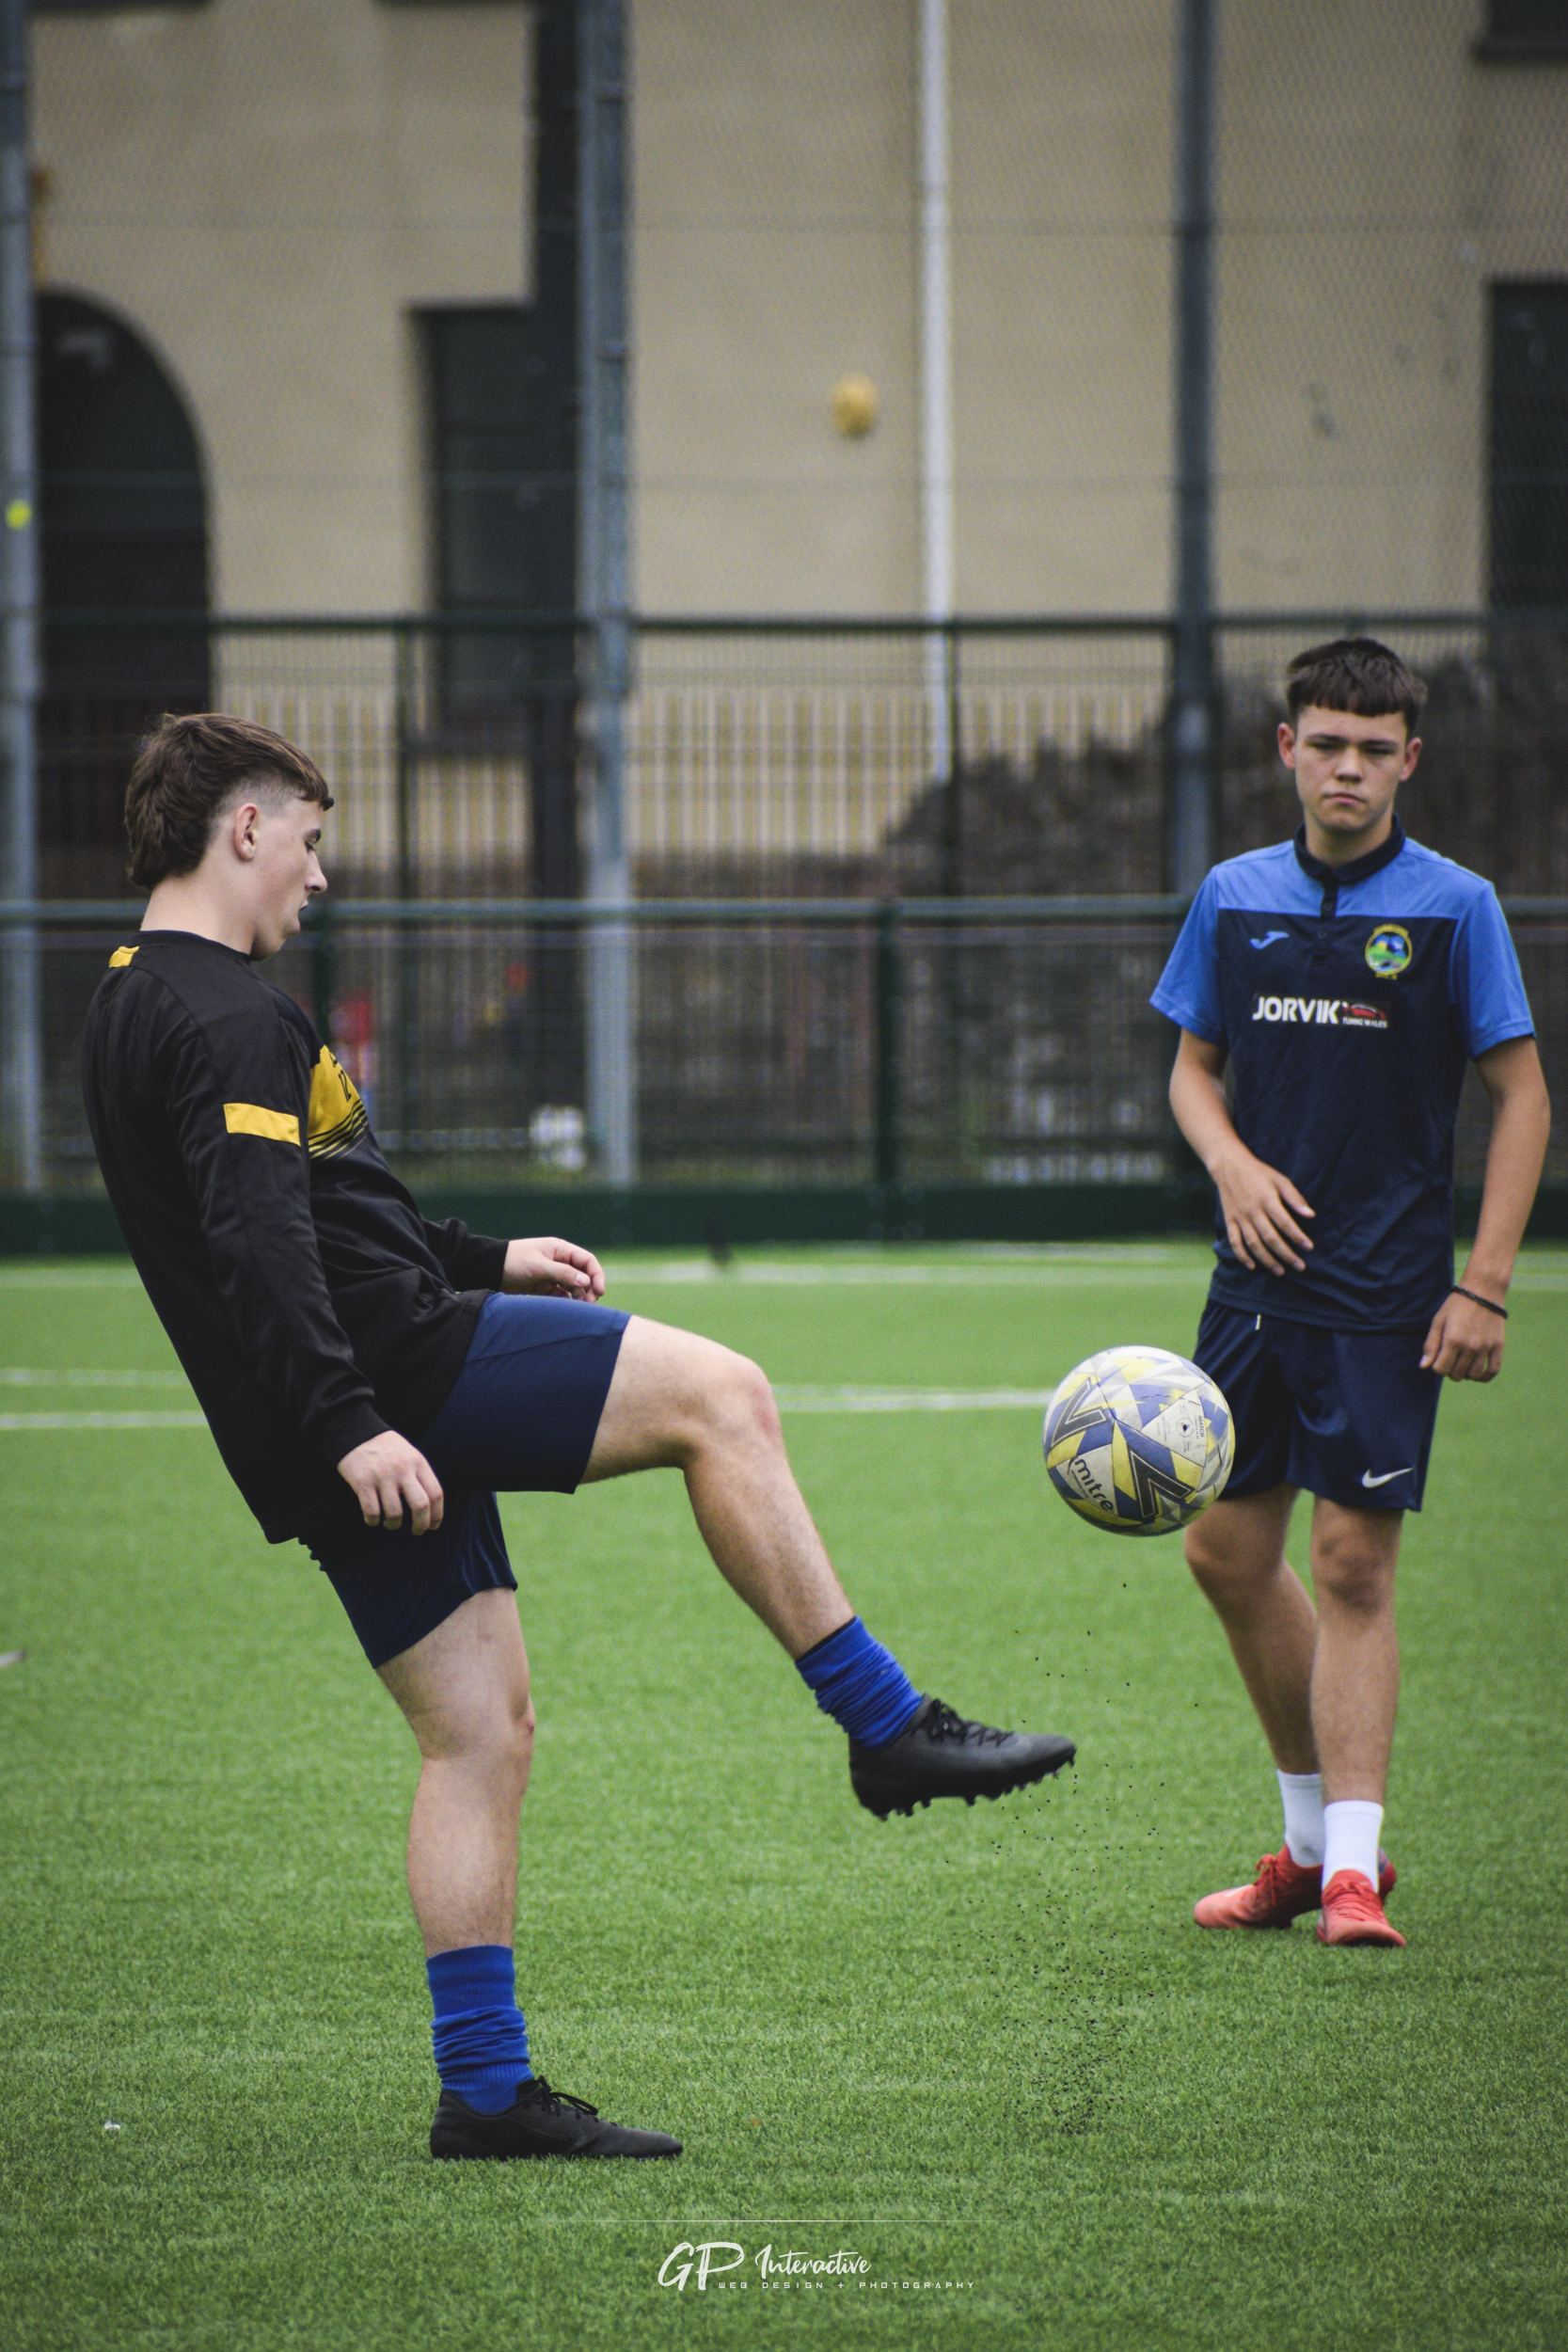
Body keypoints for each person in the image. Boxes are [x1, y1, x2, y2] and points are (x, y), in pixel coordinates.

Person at [82, 712, 1076, 2162]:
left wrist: (487, 1257)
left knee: (479, 1737)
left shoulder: (130, 996)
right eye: (308, 841)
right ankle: (887, 1726)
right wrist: (357, 1420)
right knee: (723, 1396)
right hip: (391, 1385)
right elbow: (259, 1251)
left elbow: (326, 1211)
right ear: (241, 830)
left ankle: (484, 2091)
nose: (318, 877)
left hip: (349, 1400)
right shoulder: (230, 1011)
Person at [1150, 639, 1550, 1949]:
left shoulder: (1456, 906)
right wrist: (1232, 1166)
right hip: (1249, 1288)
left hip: (1384, 1295)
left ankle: (1357, 1875)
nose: (1349, 769)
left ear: (1409, 762)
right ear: (1287, 748)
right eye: (1327, 743)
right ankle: (1310, 1846)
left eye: (1376, 750)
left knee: (1351, 1565)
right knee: (1223, 1550)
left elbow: (1522, 1097)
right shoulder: (1233, 894)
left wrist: (1482, 1286)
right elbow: (1191, 1073)